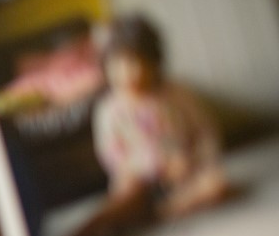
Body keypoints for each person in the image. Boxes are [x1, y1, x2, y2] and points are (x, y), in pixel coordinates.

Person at [93, 14, 230, 220]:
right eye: (117, 65)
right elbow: (111, 154)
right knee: (124, 194)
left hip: (182, 172)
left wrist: (194, 159)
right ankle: (138, 210)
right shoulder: (108, 109)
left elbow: (205, 132)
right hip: (139, 178)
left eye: (136, 63)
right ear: (106, 67)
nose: (128, 73)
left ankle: (172, 208)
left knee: (216, 184)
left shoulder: (176, 94)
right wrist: (144, 167)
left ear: (154, 63)